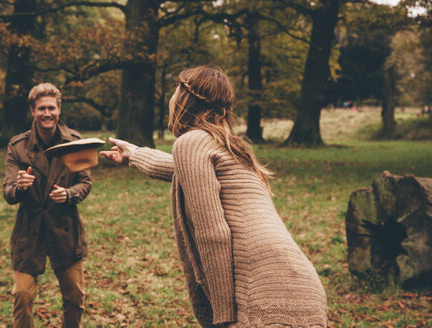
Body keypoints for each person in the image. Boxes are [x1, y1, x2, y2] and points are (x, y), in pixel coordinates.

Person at [101, 66, 328, 327]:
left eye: (176, 90)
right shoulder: (230, 145)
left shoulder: (192, 142)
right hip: (300, 284)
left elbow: (213, 233)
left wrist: (223, 315)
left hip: (262, 292)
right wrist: (133, 153)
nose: (171, 99)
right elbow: (182, 170)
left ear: (187, 98)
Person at [3, 83, 91, 328]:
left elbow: (85, 183)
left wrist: (69, 194)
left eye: (51, 107)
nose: (47, 113)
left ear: (59, 109)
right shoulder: (17, 145)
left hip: (65, 228)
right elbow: (8, 193)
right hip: (29, 231)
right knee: (22, 295)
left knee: (74, 297)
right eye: (41, 108)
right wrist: (20, 186)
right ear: (33, 110)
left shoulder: (74, 142)